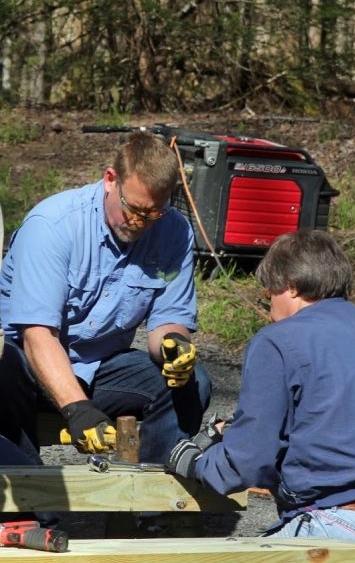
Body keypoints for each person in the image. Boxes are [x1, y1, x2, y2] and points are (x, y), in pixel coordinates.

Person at [166, 229, 355, 562]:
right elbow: (333, 428)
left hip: (343, 524)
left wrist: (198, 464)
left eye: (269, 291)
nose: (268, 299)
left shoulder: (277, 341)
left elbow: (247, 462)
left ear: (290, 284)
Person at [0, 131, 211, 464]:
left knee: (193, 381)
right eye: (134, 209)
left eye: (153, 213)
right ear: (110, 180)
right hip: (26, 369)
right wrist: (78, 409)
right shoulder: (53, 226)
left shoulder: (174, 231)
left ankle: (154, 505)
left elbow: (167, 320)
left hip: (97, 368)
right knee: (4, 366)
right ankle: (29, 510)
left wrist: (174, 345)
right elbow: (37, 338)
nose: (140, 223)